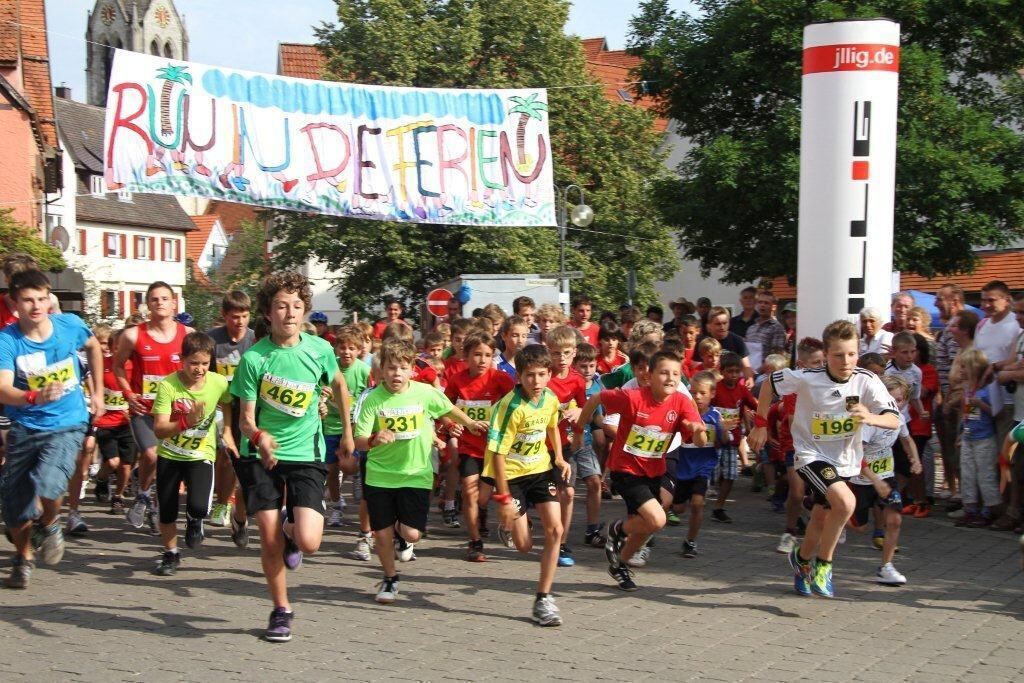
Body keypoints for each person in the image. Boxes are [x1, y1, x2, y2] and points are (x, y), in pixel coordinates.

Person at [231, 271, 355, 642]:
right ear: (268, 313)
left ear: (305, 312)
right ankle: (281, 609)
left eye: (297, 307)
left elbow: (339, 385)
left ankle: (292, 529)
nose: (289, 313)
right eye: (281, 306)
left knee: (310, 542)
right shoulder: (254, 359)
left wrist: (348, 432)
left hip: (307, 454)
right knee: (268, 540)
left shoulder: (319, 350)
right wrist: (259, 436)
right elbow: (245, 417)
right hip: (262, 456)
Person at [748, 320, 900, 598]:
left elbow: (893, 419)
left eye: (852, 354)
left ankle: (802, 560)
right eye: (838, 355)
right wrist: (760, 423)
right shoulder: (807, 377)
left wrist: (870, 417)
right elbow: (769, 384)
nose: (846, 361)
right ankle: (824, 564)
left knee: (821, 516)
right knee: (846, 502)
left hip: (844, 460)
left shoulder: (866, 380)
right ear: (826, 355)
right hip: (810, 455)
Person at [353, 339, 480, 604]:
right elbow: (358, 440)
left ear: (412, 369)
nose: (396, 374)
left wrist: (469, 423)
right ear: (381, 371)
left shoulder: (424, 392)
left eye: (402, 368)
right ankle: (389, 579)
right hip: (381, 475)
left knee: (412, 534)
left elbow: (448, 408)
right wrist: (375, 438)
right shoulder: (373, 400)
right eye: (390, 368)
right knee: (382, 533)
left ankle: (403, 532)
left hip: (416, 474)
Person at [0, 269, 104, 589]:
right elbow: (3, 389)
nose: (36, 306)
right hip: (26, 426)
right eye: (28, 300)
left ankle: (51, 522)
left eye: (42, 299)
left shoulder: (69, 326)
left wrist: (98, 392)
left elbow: (94, 347)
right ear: (14, 303)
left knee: (48, 483)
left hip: (66, 423)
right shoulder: (8, 340)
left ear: (49, 299)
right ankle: (24, 556)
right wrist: (32, 395)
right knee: (14, 507)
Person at [575, 350, 706, 591]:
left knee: (644, 525)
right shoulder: (632, 397)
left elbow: (698, 438)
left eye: (676, 374)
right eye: (664, 372)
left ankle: (619, 564)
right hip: (626, 469)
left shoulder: (682, 401)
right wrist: (578, 429)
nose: (670, 378)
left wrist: (698, 431)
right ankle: (618, 529)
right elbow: (596, 400)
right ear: (651, 375)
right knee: (657, 520)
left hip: (654, 470)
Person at [484, 344, 569, 626]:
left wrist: (558, 457)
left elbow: (552, 426)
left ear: (549, 375)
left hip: (541, 470)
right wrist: (504, 497)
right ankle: (512, 522)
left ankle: (543, 599)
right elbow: (497, 453)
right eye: (530, 375)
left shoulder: (550, 399)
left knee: (556, 530)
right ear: (519, 376)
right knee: (523, 546)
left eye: (542, 375)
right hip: (512, 475)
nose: (536, 382)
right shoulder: (510, 408)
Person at [150, 332, 235, 575]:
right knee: (166, 510)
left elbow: (227, 402)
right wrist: (186, 422)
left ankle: (195, 520)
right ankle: (170, 554)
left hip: (200, 454)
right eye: (193, 363)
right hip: (170, 454)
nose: (199, 369)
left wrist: (227, 430)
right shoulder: (168, 386)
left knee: (199, 507)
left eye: (204, 364)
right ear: (181, 359)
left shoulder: (218, 382)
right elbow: (158, 429)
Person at [113, 282, 194, 531]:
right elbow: (118, 366)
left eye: (165, 299)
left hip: (174, 410)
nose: (160, 303)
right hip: (145, 410)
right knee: (151, 454)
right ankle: (144, 492)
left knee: (168, 463)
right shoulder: (133, 335)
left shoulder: (188, 334)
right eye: (155, 299)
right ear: (148, 304)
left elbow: (197, 369)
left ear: (174, 303)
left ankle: (156, 508)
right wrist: (128, 394)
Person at [443, 331, 515, 561]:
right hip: (469, 447)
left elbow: (516, 407)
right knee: (470, 493)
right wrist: (450, 425)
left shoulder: (501, 379)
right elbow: (443, 408)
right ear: (465, 355)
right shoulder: (457, 380)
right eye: (477, 354)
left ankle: (483, 513)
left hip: (495, 449)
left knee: (483, 498)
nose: (482, 360)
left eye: (487, 355)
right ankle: (475, 542)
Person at [848, 374, 921, 585]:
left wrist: (914, 459)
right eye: (890, 399)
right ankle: (831, 512)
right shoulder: (870, 422)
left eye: (899, 400)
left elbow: (907, 441)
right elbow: (858, 456)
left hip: (887, 477)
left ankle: (886, 567)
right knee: (860, 528)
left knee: (895, 520)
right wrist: (875, 481)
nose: (894, 404)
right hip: (861, 481)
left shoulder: (897, 419)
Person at [207, 291, 255, 540]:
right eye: (235, 317)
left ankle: (240, 510)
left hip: (248, 408)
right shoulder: (212, 339)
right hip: (219, 405)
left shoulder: (255, 340)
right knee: (226, 455)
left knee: (246, 462)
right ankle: (222, 503)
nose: (240, 322)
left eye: (245, 316)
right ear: (225, 315)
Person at [774, 337, 826, 555]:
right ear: (802, 365)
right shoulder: (794, 388)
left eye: (823, 361)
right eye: (816, 363)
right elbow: (796, 419)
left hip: (820, 446)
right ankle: (790, 532)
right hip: (795, 445)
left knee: (824, 491)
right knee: (796, 492)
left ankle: (816, 515)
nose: (821, 366)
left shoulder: (828, 383)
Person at [544, 325, 588, 568]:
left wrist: (579, 413)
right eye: (556, 353)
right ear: (548, 352)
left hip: (566, 445)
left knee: (568, 492)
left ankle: (561, 542)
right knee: (545, 496)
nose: (561, 358)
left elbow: (585, 410)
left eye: (566, 353)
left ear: (574, 353)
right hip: (540, 446)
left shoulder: (577, 381)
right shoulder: (542, 377)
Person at [672, 370, 727, 558]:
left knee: (698, 504)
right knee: (678, 508)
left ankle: (691, 541)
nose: (697, 397)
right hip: (681, 467)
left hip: (703, 468)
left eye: (702, 393)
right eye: (694, 392)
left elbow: (722, 442)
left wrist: (725, 431)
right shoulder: (684, 414)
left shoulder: (715, 416)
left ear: (712, 394)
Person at [324, 327, 371, 529]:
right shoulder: (329, 367)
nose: (347, 352)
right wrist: (322, 396)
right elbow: (318, 391)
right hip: (330, 426)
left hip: (355, 427)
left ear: (360, 350)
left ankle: (358, 475)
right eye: (342, 347)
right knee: (332, 470)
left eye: (352, 348)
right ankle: (335, 507)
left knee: (350, 466)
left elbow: (371, 396)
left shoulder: (363, 371)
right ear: (336, 349)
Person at [91, 326, 136, 515]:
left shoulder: (134, 366)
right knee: (113, 462)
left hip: (127, 422)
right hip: (106, 422)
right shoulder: (102, 365)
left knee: (126, 466)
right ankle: (101, 480)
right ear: (111, 347)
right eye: (117, 346)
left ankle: (118, 497)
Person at [955, 348, 1002, 527]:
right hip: (969, 437)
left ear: (974, 368)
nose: (961, 371)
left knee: (985, 474)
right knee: (967, 474)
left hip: (984, 439)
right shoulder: (967, 391)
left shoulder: (986, 391)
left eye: (964, 367)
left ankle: (989, 509)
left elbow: (995, 413)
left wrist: (981, 404)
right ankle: (970, 508)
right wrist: (960, 433)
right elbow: (964, 414)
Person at [710, 351, 757, 523]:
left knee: (730, 474)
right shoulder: (715, 389)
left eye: (737, 371)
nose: (734, 375)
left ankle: (719, 507)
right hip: (715, 440)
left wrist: (763, 417)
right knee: (712, 475)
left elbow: (755, 404)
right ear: (722, 371)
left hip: (733, 440)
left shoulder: (742, 390)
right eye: (730, 371)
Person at [570, 343, 606, 547]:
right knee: (563, 491)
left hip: (585, 442)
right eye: (583, 366)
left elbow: (598, 418)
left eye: (592, 366)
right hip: (563, 442)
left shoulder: (597, 387)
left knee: (594, 482)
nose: (588, 371)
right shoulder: (565, 384)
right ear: (574, 366)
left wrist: (617, 428)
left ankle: (592, 531)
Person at [699, 306, 754, 386]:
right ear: (709, 325)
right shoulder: (704, 342)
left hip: (733, 383)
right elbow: (697, 365)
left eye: (725, 323)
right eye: (718, 324)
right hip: (709, 383)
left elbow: (746, 366)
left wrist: (749, 378)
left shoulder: (737, 341)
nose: (722, 327)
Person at [744, 290, 788, 374]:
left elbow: (777, 357)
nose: (762, 305)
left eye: (766, 303)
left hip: (765, 376)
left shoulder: (777, 328)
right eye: (760, 302)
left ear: (773, 307)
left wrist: (756, 372)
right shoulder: (751, 328)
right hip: (748, 373)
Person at [496, 315, 530, 380]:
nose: (520, 340)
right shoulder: (496, 364)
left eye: (524, 336)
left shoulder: (530, 363)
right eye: (515, 336)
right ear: (504, 336)